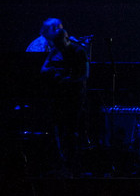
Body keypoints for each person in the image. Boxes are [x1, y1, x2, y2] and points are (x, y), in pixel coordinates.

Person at [38, 18, 89, 174]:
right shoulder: (55, 51)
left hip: (74, 98)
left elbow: (84, 75)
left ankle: (74, 163)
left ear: (66, 39)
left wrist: (69, 80)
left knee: (71, 131)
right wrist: (56, 72)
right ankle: (61, 162)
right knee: (58, 130)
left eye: (60, 44)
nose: (59, 47)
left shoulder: (79, 51)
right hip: (58, 97)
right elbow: (43, 70)